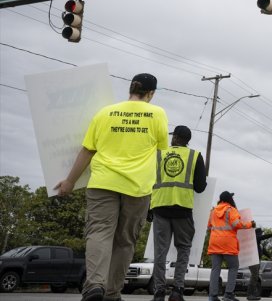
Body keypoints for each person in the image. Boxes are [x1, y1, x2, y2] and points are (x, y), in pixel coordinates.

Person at [54, 73, 169, 301]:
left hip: (102, 183)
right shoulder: (157, 114)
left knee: (98, 233)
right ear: (151, 93)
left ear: (131, 89)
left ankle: (94, 286)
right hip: (137, 188)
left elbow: (87, 150)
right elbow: (161, 151)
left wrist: (69, 182)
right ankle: (112, 293)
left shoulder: (104, 112)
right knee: (125, 240)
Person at [150, 125, 207, 301]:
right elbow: (199, 187)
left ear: (175, 137)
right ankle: (177, 290)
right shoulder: (195, 156)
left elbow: (149, 181)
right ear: (187, 140)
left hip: (160, 209)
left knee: (160, 251)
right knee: (183, 250)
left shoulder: (159, 155)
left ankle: (159, 292)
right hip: (182, 210)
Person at [207, 191, 256, 301]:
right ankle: (228, 294)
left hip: (214, 242)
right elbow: (237, 224)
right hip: (228, 243)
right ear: (229, 199)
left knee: (215, 269)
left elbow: (209, 225)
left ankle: (212, 296)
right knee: (233, 267)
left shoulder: (213, 211)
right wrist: (250, 224)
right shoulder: (231, 210)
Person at [246, 228, 272, 301]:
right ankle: (249, 294)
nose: (262, 234)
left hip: (257, 260)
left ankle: (252, 294)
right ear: (258, 233)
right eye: (261, 233)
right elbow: (262, 237)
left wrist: (271, 257)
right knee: (254, 276)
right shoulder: (255, 239)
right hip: (253, 260)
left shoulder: (259, 243)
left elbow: (264, 251)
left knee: (255, 277)